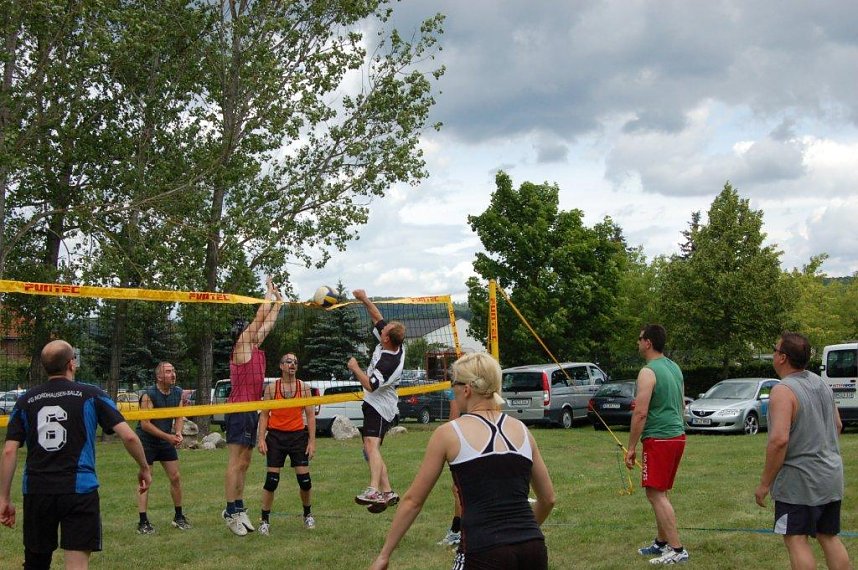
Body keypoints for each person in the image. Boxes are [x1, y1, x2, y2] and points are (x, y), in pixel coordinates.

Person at [370, 352, 555, 570]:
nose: (451, 391)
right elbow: (548, 498)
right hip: (532, 547)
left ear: (466, 389)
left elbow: (413, 501)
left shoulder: (449, 433)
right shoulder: (521, 430)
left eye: (453, 384)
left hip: (483, 549)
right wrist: (520, 535)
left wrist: (384, 555)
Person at [0, 340, 151, 570]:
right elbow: (129, 437)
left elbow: (10, 450)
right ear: (72, 363)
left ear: (44, 367)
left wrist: (4, 499)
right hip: (80, 489)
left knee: (36, 563)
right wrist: (144, 467)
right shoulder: (91, 395)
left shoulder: (25, 400)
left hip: (38, 490)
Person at [754, 332, 851, 570]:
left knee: (796, 538)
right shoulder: (820, 383)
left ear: (783, 358)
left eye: (775, 350)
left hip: (800, 481)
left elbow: (778, 441)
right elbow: (837, 425)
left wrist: (765, 484)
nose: (774, 354)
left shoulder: (783, 390)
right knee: (828, 534)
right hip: (830, 476)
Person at [625, 324, 689, 565]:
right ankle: (661, 543)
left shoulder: (648, 371)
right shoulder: (674, 367)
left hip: (659, 438)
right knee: (661, 491)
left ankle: (677, 549)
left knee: (654, 493)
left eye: (640, 339)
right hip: (677, 436)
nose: (638, 342)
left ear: (648, 342)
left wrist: (631, 447)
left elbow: (640, 413)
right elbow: (681, 404)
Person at [223, 277, 283, 536]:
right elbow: (259, 319)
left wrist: (279, 303)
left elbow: (266, 324)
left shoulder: (255, 348)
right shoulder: (241, 348)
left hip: (251, 410)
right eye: (248, 329)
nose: (255, 331)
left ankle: (239, 506)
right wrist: (267, 296)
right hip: (238, 409)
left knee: (246, 462)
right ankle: (229, 511)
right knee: (236, 462)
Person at [347, 288, 405, 513]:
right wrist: (364, 299)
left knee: (372, 446)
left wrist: (355, 368)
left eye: (385, 330)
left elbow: (370, 384)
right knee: (370, 450)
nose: (382, 327)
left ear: (387, 338)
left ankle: (374, 490)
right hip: (376, 404)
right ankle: (388, 491)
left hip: (380, 406)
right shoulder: (390, 342)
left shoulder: (389, 362)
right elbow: (377, 317)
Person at [256, 352, 317, 534]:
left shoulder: (304, 388)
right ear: (281, 366)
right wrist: (261, 439)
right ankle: (264, 520)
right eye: (288, 362)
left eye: (295, 362)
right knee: (271, 482)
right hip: (275, 437)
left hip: (298, 436)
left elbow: (310, 415)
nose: (292, 365)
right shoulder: (271, 389)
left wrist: (312, 442)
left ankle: (307, 515)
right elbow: (264, 415)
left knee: (305, 482)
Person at [135, 361, 190, 534]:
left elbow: (179, 416)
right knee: (146, 479)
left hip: (166, 439)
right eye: (168, 371)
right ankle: (143, 522)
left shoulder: (178, 392)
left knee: (175, 477)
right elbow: (145, 424)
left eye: (174, 370)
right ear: (159, 376)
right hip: (147, 440)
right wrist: (169, 437)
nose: (173, 374)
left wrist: (179, 433)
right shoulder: (148, 395)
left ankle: (178, 517)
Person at [437, 387, 462, 548]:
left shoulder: (462, 388)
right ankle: (457, 530)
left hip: (465, 439)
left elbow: (454, 418)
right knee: (458, 489)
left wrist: (453, 398)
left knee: (460, 490)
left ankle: (460, 533)